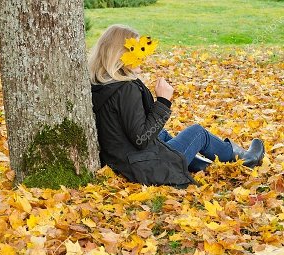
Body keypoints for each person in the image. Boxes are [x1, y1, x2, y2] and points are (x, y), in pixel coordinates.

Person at [88, 24, 264, 189]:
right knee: (198, 133)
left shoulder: (102, 84)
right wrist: (163, 102)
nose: (144, 56)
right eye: (138, 51)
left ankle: (203, 167)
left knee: (163, 135)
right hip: (143, 167)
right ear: (121, 55)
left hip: (126, 162)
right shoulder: (126, 90)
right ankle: (246, 158)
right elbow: (141, 139)